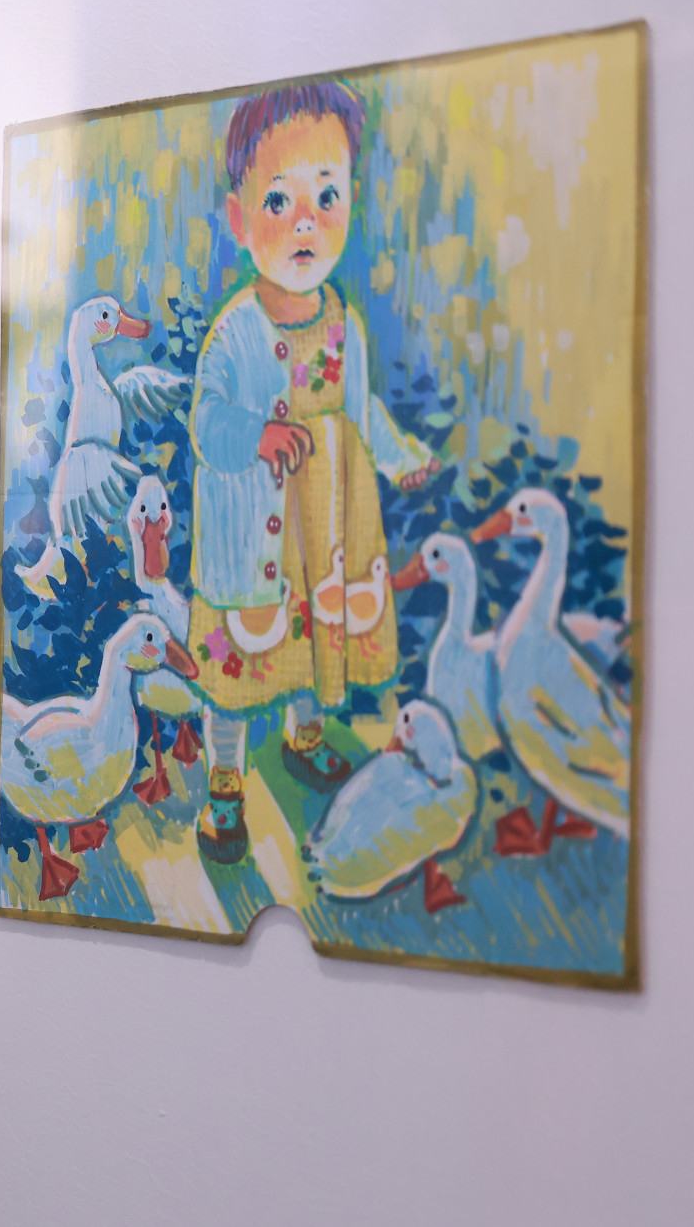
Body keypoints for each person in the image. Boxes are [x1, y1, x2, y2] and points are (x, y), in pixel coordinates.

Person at [186, 82, 439, 865]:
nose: (305, 222)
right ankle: (225, 785)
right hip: (252, 542)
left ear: (350, 203)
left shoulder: (343, 325)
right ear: (240, 222)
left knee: (309, 643)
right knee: (238, 665)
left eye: (326, 197)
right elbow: (205, 422)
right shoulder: (234, 333)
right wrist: (255, 434)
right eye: (279, 201)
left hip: (321, 531)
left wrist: (399, 458)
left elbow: (361, 409)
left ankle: (302, 735)